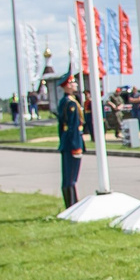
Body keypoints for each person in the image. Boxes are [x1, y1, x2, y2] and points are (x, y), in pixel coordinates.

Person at [56, 74, 86, 209]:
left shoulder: (65, 101)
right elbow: (73, 126)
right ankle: (72, 206)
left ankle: (72, 204)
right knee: (71, 177)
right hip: (72, 142)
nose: (76, 85)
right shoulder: (71, 103)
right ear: (67, 86)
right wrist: (76, 146)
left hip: (66, 141)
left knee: (69, 176)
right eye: (73, 82)